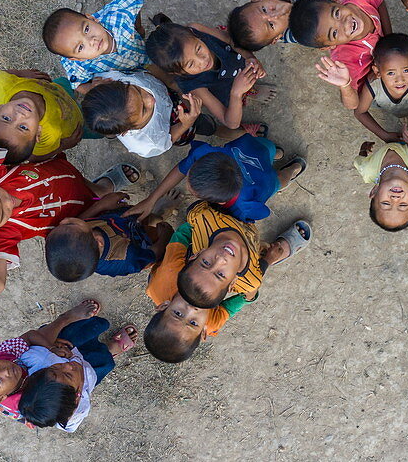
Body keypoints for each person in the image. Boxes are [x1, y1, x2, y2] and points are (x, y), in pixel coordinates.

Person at [0, 125, 129, 295]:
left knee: (86, 186)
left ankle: (100, 188)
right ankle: (104, 189)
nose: (8, 202)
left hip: (62, 172)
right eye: (3, 214)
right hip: (76, 215)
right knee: (97, 203)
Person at [0, 299, 101, 423]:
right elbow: (49, 411)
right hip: (66, 377)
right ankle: (108, 353)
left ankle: (65, 318)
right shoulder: (20, 405)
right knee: (97, 365)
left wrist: (50, 348)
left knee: (54, 339)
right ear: (1, 398)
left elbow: (30, 336)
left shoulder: (4, 353)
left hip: (51, 353)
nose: (5, 371)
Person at [123, 134, 306, 223]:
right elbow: (182, 168)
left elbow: (263, 213)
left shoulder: (243, 206)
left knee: (278, 181)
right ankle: (286, 160)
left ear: (219, 202)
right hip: (255, 148)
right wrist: (151, 200)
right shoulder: (208, 155)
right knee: (269, 150)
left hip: (266, 182)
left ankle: (293, 168)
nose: (186, 181)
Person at [143, 221, 256, 363]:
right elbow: (233, 306)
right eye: (193, 323)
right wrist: (249, 294)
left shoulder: (171, 269)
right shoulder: (212, 323)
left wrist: (196, 224)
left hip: (159, 278)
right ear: (203, 332)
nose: (191, 309)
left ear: (164, 306)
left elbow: (181, 235)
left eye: (178, 314)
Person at [175, 202, 312, 308]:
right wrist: (268, 260)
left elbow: (201, 205)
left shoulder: (203, 217)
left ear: (196, 254)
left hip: (231, 218)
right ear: (233, 281)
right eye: (221, 275)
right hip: (251, 245)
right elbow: (254, 282)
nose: (220, 259)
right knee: (257, 278)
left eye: (205, 263)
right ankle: (273, 254)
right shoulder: (250, 279)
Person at [145, 19, 273, 132]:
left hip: (238, 65)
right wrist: (236, 94)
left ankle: (250, 87)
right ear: (178, 73)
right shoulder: (193, 85)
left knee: (246, 80)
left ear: (195, 36)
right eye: (191, 64)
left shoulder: (196, 28)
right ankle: (246, 93)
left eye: (199, 49)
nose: (202, 61)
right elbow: (231, 123)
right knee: (239, 95)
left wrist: (250, 58)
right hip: (228, 90)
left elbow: (230, 40)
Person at [17, 317, 139, 431]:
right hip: (89, 373)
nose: (67, 365)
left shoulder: (41, 359)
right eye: (68, 375)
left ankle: (85, 323)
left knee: (93, 325)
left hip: (66, 346)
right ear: (77, 397)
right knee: (105, 363)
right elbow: (69, 427)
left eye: (54, 368)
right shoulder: (77, 411)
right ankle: (110, 349)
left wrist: (50, 346)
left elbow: (29, 339)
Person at [291, 0, 390, 109]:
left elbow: (379, 0)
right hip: (374, 81)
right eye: (334, 33)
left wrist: (389, 39)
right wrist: (345, 85)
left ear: (333, 0)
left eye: (336, 13)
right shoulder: (345, 60)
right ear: (329, 46)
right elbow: (353, 105)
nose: (345, 24)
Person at [81, 72, 215, 158]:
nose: (150, 99)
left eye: (138, 91)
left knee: (180, 104)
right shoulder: (146, 143)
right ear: (126, 131)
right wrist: (186, 124)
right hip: (173, 125)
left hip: (169, 98)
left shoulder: (112, 80)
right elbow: (169, 139)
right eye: (144, 109)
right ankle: (196, 125)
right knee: (188, 127)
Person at [42, 0, 158, 89]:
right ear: (77, 58)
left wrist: (138, 27)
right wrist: (93, 88)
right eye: (81, 47)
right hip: (135, 77)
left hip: (150, 54)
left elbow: (133, 1)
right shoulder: (80, 65)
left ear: (91, 18)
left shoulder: (119, 16)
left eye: (86, 29)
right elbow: (78, 85)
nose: (91, 40)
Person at [0, 67, 84, 164]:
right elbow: (34, 157)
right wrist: (63, 145)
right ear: (38, 132)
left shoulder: (3, 83)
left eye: (6, 118)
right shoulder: (50, 133)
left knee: (67, 81)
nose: (19, 115)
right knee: (96, 129)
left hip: (57, 89)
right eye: (23, 127)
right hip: (77, 120)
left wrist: (18, 73)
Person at [44, 208, 172, 282]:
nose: (64, 220)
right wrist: (164, 236)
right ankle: (163, 212)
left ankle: (156, 215)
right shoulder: (125, 259)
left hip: (125, 220)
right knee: (157, 231)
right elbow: (152, 255)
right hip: (144, 242)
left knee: (145, 217)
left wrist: (102, 204)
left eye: (60, 225)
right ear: (98, 240)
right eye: (69, 224)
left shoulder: (81, 237)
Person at [355, 127, 408, 231]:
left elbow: (359, 161)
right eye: (403, 204)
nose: (395, 199)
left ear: (374, 191)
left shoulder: (367, 169)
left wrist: (363, 150)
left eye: (386, 203)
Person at [227, 0, 306, 51]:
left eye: (264, 10)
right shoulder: (296, 34)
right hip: (308, 10)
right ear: (277, 37)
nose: (274, 15)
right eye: (271, 25)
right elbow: (311, 36)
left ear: (257, 1)